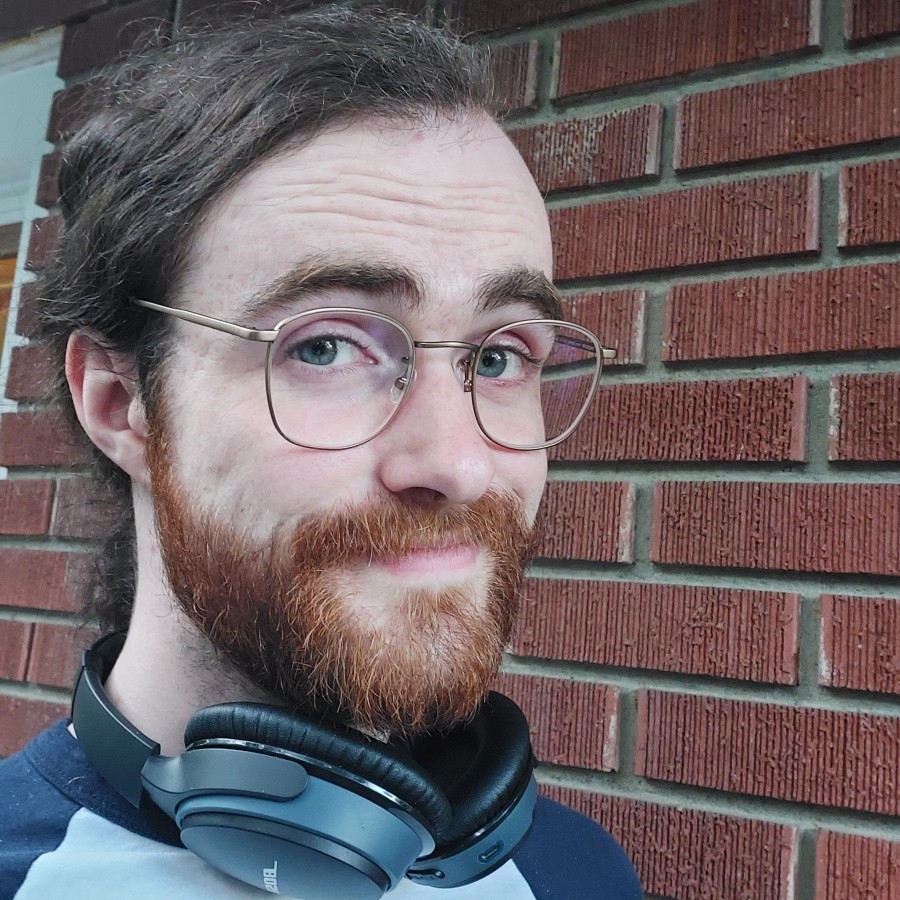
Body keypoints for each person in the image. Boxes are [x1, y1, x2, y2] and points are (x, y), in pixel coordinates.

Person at [0, 7, 642, 899]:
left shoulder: (577, 875)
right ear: (120, 403)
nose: (457, 466)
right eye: (326, 347)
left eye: (499, 357)